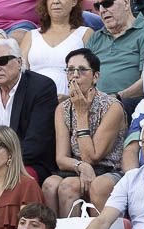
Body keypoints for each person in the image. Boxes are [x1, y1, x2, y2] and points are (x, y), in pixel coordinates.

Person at [43, 48, 126, 215]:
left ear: (95, 76)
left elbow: (92, 156)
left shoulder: (112, 107)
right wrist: (81, 166)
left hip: (107, 169)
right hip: (75, 168)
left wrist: (81, 114)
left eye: (81, 70)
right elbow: (61, 158)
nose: (75, 75)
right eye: (70, 70)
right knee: (49, 185)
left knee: (68, 187)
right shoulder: (63, 108)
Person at [0, 38, 58, 180]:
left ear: (19, 62)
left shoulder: (41, 87)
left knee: (15, 179)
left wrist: (4, 165)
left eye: (2, 61)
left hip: (25, 164)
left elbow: (37, 141)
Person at [86, 0, 144, 110]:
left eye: (107, 3)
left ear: (126, 2)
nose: (102, 10)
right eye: (97, 6)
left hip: (130, 103)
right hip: (95, 104)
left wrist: (117, 97)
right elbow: (84, 75)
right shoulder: (96, 37)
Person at [21, 0, 93, 96]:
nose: (55, 1)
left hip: (72, 100)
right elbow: (20, 74)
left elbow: (92, 74)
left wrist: (70, 98)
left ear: (74, 0)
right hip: (34, 100)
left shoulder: (85, 34)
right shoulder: (31, 35)